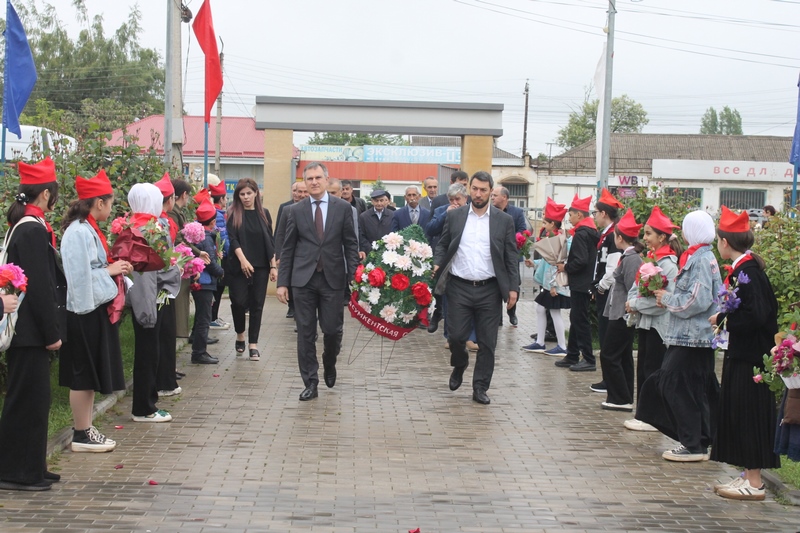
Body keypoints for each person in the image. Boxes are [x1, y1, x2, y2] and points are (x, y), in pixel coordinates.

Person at [0, 157, 65, 491]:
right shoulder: (30, 229)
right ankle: (18, 472)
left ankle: (32, 465)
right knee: (28, 401)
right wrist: (52, 333)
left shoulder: (25, 226)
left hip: (27, 330)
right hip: (29, 332)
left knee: (35, 400)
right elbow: (40, 287)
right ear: (45, 195)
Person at [638, 210, 722, 462]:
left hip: (692, 336)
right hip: (694, 335)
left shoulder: (699, 259)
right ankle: (700, 440)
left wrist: (669, 299)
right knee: (696, 388)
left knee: (674, 384)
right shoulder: (700, 256)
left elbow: (698, 299)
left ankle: (692, 443)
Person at [709, 206, 779, 501]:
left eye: (718, 239)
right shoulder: (744, 269)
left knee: (749, 415)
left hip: (751, 359)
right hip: (743, 354)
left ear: (725, 242)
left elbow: (758, 315)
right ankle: (748, 476)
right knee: (739, 413)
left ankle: (755, 482)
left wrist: (723, 320)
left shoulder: (749, 272)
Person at [60, 170, 133, 452]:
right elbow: (79, 279)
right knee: (83, 374)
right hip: (83, 312)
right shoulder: (79, 232)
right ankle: (81, 432)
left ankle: (86, 428)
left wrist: (110, 271)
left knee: (88, 376)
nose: (111, 208)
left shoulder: (87, 228)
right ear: (99, 202)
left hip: (91, 310)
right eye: (111, 202)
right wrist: (111, 270)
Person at [433, 171, 519, 405]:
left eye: (483, 190)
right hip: (459, 286)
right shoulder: (456, 216)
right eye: (475, 189)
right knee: (457, 337)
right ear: (469, 189)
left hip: (490, 289)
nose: (478, 194)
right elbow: (443, 244)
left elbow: (511, 256)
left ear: (491, 191)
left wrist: (513, 288)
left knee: (487, 342)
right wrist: (437, 262)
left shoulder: (504, 221)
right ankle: (459, 364)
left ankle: (480, 387)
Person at [277, 162, 359, 401]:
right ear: (305, 181)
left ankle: (329, 362)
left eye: (317, 177)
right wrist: (283, 282)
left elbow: (351, 245)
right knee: (305, 332)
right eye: (309, 178)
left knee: (332, 331)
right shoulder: (295, 210)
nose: (313, 182)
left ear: (326, 179)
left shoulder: (343, 208)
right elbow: (288, 247)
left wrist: (355, 278)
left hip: (332, 279)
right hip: (303, 280)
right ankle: (310, 381)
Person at [126, 183, 182, 422]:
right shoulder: (149, 229)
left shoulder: (132, 224)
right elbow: (147, 275)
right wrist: (149, 310)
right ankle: (144, 407)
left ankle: (146, 403)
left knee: (148, 352)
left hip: (145, 298)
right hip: (150, 300)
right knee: (148, 354)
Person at [623, 206, 681, 432]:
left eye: (648, 234)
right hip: (645, 323)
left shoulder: (668, 265)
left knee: (653, 370)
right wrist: (632, 301)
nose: (644, 238)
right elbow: (636, 288)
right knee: (644, 369)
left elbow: (662, 301)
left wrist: (635, 304)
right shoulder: (652, 259)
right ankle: (644, 414)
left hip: (659, 326)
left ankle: (653, 417)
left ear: (662, 237)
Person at [226, 178, 277, 359]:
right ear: (238, 196)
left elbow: (270, 241)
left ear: (256, 193)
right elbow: (233, 239)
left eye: (249, 193)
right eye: (242, 194)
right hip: (239, 265)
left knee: (257, 305)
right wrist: (243, 260)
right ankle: (240, 333)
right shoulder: (233, 213)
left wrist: (273, 265)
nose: (246, 197)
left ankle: (253, 344)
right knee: (238, 302)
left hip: (261, 266)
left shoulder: (264, 213)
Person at [598, 210, 644, 412]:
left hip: (623, 315)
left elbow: (633, 288)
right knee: (622, 355)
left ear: (619, 237)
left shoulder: (632, 259)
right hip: (618, 313)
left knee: (609, 354)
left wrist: (628, 313)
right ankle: (623, 396)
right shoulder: (628, 256)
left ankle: (619, 397)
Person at [555, 194, 599, 371]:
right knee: (576, 317)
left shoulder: (581, 234)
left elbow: (580, 260)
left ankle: (588, 358)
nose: (569, 219)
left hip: (581, 283)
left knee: (580, 320)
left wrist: (565, 267)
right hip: (585, 282)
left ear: (579, 215)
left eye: (571, 215)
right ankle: (572, 354)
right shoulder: (592, 232)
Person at [522, 197, 569, 356]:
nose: (542, 225)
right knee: (542, 309)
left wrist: (554, 284)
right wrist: (534, 263)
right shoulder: (553, 238)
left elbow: (557, 264)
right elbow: (547, 262)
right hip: (551, 284)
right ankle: (541, 342)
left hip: (553, 284)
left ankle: (560, 345)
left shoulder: (559, 240)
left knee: (553, 312)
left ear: (553, 225)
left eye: (544, 222)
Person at [589, 188, 623, 391]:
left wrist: (600, 286)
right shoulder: (606, 234)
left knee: (607, 336)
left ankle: (609, 380)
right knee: (603, 335)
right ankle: (607, 377)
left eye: (595, 212)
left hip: (608, 292)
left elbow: (612, 268)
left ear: (603, 213)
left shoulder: (613, 236)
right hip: (603, 290)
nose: (594, 216)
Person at [425, 183, 468, 338]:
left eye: (458, 199)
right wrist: (446, 214)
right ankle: (446, 330)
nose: (455, 203)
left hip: (462, 258)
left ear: (465, 198)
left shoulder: (471, 212)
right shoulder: (441, 210)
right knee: (442, 292)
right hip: (443, 257)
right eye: (451, 200)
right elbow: (430, 229)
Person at [190, 201, 226, 364]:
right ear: (212, 222)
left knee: (200, 317)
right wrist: (221, 272)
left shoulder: (198, 236)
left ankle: (198, 350)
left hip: (200, 283)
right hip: (205, 283)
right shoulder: (206, 239)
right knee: (204, 319)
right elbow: (210, 262)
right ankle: (199, 352)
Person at [491, 185, 528, 327]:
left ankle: (512, 313)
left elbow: (522, 230)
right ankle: (497, 317)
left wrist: (510, 240)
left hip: (511, 255)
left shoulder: (516, 212)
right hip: (495, 256)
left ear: (504, 197)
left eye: (495, 195)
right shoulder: (490, 212)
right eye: (492, 195)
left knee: (513, 284)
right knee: (495, 285)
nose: (492, 198)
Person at [275, 181, 309, 320]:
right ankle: (294, 309)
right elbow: (280, 233)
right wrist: (279, 255)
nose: (302, 195)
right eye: (299, 192)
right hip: (292, 254)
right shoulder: (287, 209)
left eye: (304, 192)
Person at [209, 181, 231, 330]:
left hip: (216, 255)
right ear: (222, 199)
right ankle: (213, 317)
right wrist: (229, 252)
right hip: (220, 256)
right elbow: (223, 237)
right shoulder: (219, 215)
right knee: (218, 288)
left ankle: (214, 316)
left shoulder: (215, 212)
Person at [358, 189, 394, 254]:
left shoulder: (392, 215)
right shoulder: (364, 216)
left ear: (385, 201)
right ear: (372, 201)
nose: (379, 203)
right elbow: (361, 236)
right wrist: (371, 249)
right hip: (370, 253)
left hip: (388, 253)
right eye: (376, 201)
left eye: (381, 200)